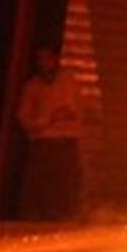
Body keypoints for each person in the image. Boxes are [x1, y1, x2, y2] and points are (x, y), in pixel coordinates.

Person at [16, 46, 83, 221]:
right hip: (43, 142)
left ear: (55, 59)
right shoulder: (33, 86)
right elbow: (24, 115)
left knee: (64, 183)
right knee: (40, 184)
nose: (43, 63)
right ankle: (35, 220)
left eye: (47, 58)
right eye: (40, 59)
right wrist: (43, 122)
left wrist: (65, 117)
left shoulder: (68, 80)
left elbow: (74, 108)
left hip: (66, 140)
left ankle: (65, 218)